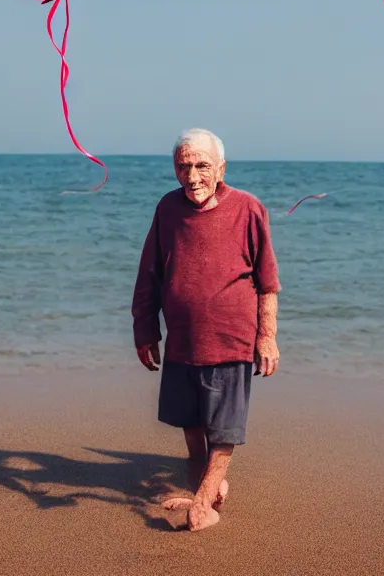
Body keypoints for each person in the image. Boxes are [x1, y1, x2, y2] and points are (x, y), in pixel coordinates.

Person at [131, 128, 280, 532]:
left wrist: (266, 336)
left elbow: (267, 283)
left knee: (224, 426)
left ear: (221, 169)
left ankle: (202, 503)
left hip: (231, 339)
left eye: (202, 166)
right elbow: (149, 275)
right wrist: (144, 329)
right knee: (190, 421)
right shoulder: (167, 209)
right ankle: (207, 484)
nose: (192, 175)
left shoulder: (249, 209)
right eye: (183, 166)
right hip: (181, 340)